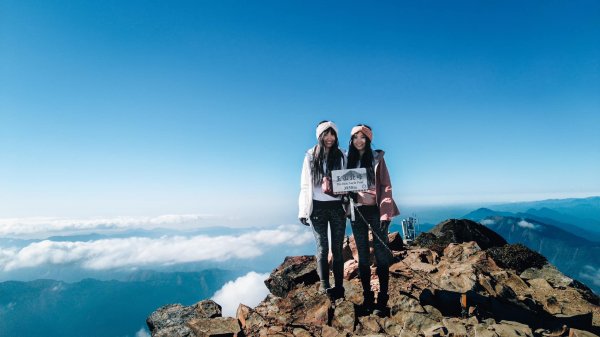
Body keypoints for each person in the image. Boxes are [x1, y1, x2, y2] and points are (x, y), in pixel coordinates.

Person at [347, 124, 399, 315]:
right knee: (361, 255)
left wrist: (386, 213)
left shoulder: (377, 159)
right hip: (357, 211)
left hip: (376, 211)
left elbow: (386, 186)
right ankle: (368, 297)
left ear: (368, 140)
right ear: (351, 140)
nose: (358, 141)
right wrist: (346, 194)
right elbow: (337, 184)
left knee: (381, 253)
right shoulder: (347, 159)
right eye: (355, 137)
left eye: (363, 137)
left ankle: (382, 299)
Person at [299, 120, 347, 300]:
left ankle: (340, 286)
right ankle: (325, 285)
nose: (329, 138)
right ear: (319, 136)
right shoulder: (310, 156)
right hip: (317, 208)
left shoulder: (342, 155)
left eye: (332, 134)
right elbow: (305, 185)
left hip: (337, 207)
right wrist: (303, 210)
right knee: (322, 248)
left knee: (337, 248)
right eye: (326, 134)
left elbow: (353, 174)